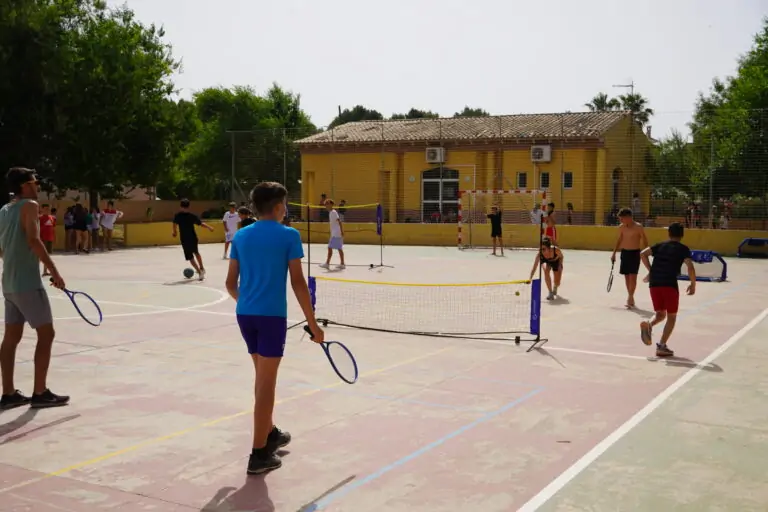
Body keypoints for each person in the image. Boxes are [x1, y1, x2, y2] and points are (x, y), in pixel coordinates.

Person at [225, 181, 324, 475]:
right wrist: (313, 323)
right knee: (267, 385)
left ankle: (270, 433)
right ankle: (258, 454)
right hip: (270, 319)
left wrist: (248, 302)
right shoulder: (289, 235)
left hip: (245, 315)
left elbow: (230, 284)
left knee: (261, 377)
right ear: (279, 207)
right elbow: (297, 282)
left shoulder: (241, 236)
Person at [0, 168, 68, 410]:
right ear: (24, 186)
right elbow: (33, 239)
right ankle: (40, 392)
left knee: (11, 338)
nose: (37, 186)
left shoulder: (4, 210)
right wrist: (55, 272)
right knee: (46, 334)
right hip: (27, 283)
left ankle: (8, 393)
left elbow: (2, 249)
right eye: (34, 182)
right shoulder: (29, 205)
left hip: (9, 282)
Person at [639, 223, 695, 358]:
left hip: (654, 283)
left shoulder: (660, 245)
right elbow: (690, 266)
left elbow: (643, 254)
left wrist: (651, 270)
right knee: (671, 317)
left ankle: (649, 324)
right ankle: (662, 346)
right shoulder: (683, 249)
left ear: (669, 233)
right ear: (682, 235)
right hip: (669, 284)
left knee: (660, 314)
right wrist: (693, 283)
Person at [610, 208, 649, 308]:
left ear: (628, 217)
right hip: (625, 253)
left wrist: (647, 251)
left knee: (633, 277)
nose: (621, 221)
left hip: (635, 253)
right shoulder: (621, 227)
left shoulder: (638, 227)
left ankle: (630, 297)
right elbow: (619, 240)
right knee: (627, 277)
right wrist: (614, 253)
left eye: (622, 218)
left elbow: (644, 240)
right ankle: (630, 296)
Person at [172, 199, 214, 281]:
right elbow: (201, 224)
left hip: (186, 238)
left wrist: (174, 231)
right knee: (195, 253)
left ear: (180, 206)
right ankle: (201, 269)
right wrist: (209, 227)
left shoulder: (178, 215)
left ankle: (200, 270)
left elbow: (174, 224)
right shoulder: (191, 216)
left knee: (191, 256)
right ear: (188, 206)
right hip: (192, 237)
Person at [319, 199, 345, 270]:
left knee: (330, 248)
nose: (326, 205)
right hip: (336, 233)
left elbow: (339, 222)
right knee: (339, 248)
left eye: (327, 204)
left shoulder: (333, 212)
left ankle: (327, 263)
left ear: (331, 204)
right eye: (325, 204)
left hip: (336, 234)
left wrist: (342, 231)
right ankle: (342, 264)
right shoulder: (331, 213)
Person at [38, 204, 56, 276]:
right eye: (45, 209)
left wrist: (55, 238)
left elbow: (53, 229)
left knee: (47, 255)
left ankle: (45, 271)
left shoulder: (52, 218)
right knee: (40, 256)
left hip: (50, 238)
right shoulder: (40, 218)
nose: (47, 210)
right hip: (42, 239)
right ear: (42, 209)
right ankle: (34, 270)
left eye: (48, 209)